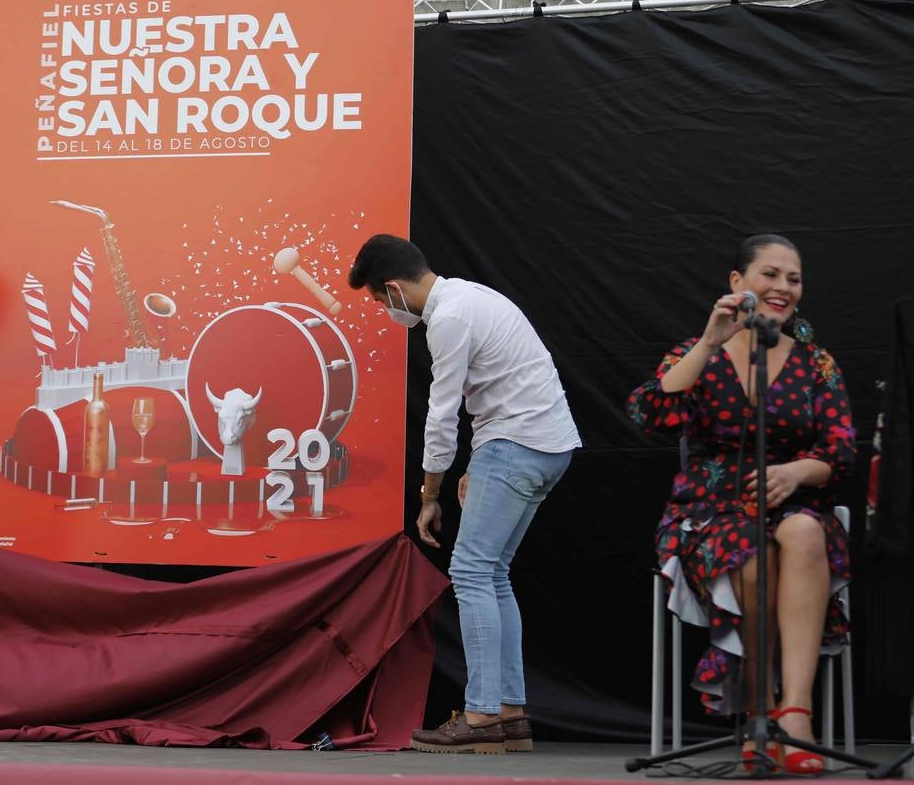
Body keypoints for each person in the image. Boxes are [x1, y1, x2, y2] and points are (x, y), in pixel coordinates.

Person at [627, 234, 853, 775]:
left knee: (801, 534)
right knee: (749, 549)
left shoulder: (816, 363)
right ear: (737, 283)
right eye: (770, 274)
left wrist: (797, 470)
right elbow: (650, 414)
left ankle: (794, 716)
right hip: (711, 513)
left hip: (797, 504)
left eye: (793, 278)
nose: (782, 288)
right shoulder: (695, 352)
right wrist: (710, 342)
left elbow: (841, 450)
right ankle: (760, 713)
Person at [347, 234, 581, 755]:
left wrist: (430, 493)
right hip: (547, 446)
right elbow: (504, 386)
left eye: (382, 302)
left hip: (518, 444)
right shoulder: (475, 296)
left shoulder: (448, 319)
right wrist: (481, 462)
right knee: (493, 574)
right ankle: (510, 715)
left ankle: (479, 718)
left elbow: (442, 413)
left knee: (473, 572)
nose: (387, 311)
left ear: (392, 287)